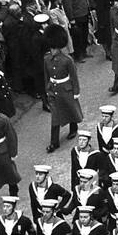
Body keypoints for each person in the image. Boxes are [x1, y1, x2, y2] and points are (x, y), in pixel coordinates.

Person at [42, 25, 82, 153]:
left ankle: (73, 128)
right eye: (51, 48)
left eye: (55, 48)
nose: (53, 50)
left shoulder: (67, 60)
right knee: (55, 116)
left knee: (70, 109)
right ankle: (54, 143)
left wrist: (76, 92)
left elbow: (74, 77)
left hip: (66, 89)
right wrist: (47, 90)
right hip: (54, 90)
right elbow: (46, 76)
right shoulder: (46, 59)